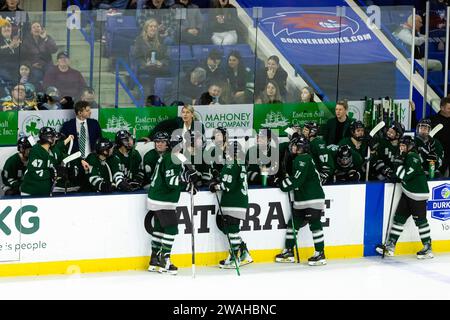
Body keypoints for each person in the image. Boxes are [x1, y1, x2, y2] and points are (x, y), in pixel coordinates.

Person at [146, 134, 198, 275]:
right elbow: (171, 181)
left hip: (157, 198)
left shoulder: (174, 156)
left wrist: (189, 181)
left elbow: (182, 174)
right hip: (163, 200)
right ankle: (165, 261)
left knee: (159, 229)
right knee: (171, 229)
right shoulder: (172, 157)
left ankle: (154, 260)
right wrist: (186, 181)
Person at [375, 136, 433, 259]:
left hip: (417, 194)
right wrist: (398, 167)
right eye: (400, 145)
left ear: (410, 146)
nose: (401, 148)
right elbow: (400, 174)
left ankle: (428, 247)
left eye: (403, 146)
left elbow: (404, 175)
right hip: (408, 192)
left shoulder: (413, 157)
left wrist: (398, 166)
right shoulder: (406, 156)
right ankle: (390, 246)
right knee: (399, 219)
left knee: (421, 221)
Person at [275, 135, 326, 266]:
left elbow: (296, 181)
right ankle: (289, 251)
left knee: (314, 224)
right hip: (302, 198)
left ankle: (320, 253)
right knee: (293, 223)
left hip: (312, 198)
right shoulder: (301, 158)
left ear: (302, 148)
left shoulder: (303, 159)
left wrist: (282, 183)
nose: (292, 147)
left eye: (295, 145)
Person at [209, 140, 253, 269]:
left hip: (232, 202)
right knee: (231, 231)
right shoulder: (240, 164)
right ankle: (244, 253)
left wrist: (215, 186)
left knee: (232, 231)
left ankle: (235, 258)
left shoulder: (231, 164)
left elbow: (226, 185)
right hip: (240, 201)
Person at [20, 127, 65, 196]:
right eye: (53, 137)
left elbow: (60, 157)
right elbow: (36, 172)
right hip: (30, 192)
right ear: (49, 138)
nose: (55, 139)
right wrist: (53, 172)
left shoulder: (51, 150)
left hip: (44, 192)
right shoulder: (36, 150)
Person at [134, 18, 169, 97]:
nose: (153, 28)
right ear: (146, 28)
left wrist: (161, 62)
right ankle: (152, 96)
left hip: (158, 66)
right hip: (145, 66)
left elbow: (166, 56)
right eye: (151, 26)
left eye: (155, 27)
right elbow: (137, 57)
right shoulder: (139, 40)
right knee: (153, 72)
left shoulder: (161, 40)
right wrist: (145, 64)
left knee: (167, 70)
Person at [430, 97, 450, 176]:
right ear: (442, 108)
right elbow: (417, 126)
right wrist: (413, 111)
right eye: (449, 108)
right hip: (438, 156)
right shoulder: (432, 120)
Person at [0, 18, 20, 85]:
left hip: (16, 66)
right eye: (4, 27)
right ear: (1, 30)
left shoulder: (16, 40)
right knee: (10, 78)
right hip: (2, 67)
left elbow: (22, 56)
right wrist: (10, 47)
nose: (6, 29)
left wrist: (18, 48)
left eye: (8, 27)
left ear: (11, 29)